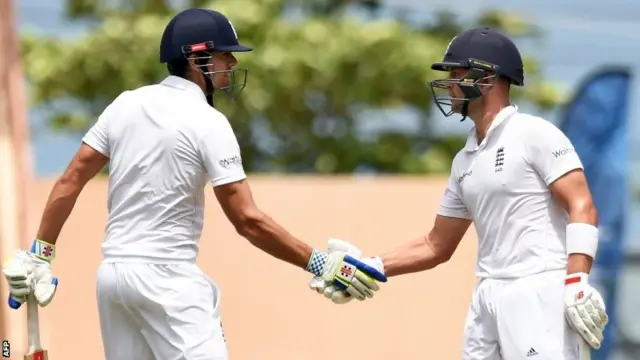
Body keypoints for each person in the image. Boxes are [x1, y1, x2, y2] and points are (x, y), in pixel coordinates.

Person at [2, 8, 386, 360]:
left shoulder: (125, 103)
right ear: (196, 58)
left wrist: (40, 253)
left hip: (114, 279)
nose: (232, 62)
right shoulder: (209, 122)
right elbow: (247, 220)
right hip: (167, 282)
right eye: (224, 54)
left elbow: (72, 178)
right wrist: (319, 262)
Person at [313, 28, 609, 359]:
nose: (449, 84)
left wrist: (577, 282)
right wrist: (370, 266)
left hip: (539, 290)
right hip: (487, 294)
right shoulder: (464, 159)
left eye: (456, 74)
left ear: (486, 78)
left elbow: (583, 205)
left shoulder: (534, 133)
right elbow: (436, 244)